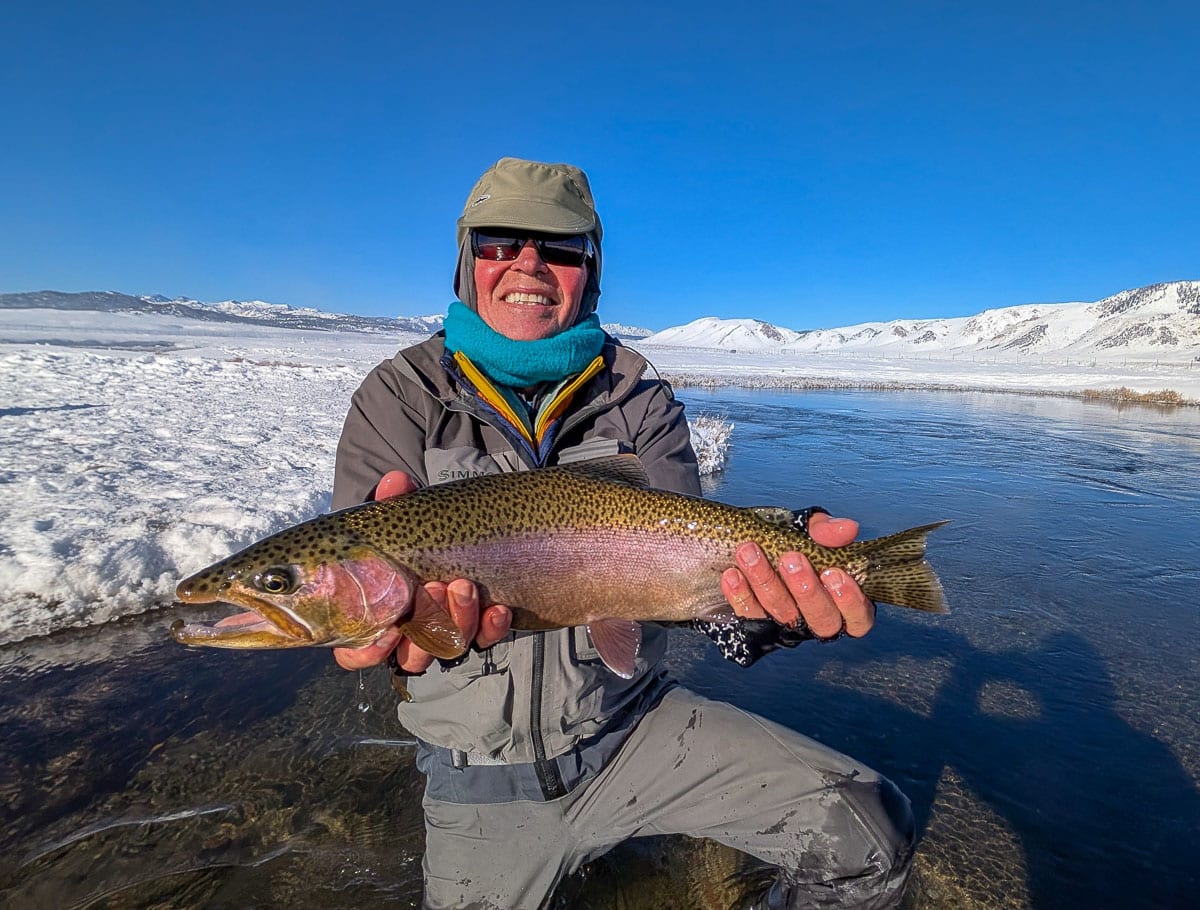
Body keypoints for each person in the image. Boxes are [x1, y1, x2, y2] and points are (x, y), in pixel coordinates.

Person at [331, 158, 914, 909]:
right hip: (477, 774)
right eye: (500, 243)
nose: (528, 265)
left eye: (560, 249)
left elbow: (699, 571)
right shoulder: (397, 399)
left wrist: (783, 585)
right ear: (467, 259)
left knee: (869, 832)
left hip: (633, 730)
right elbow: (357, 616)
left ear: (590, 270)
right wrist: (371, 641)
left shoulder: (637, 399)